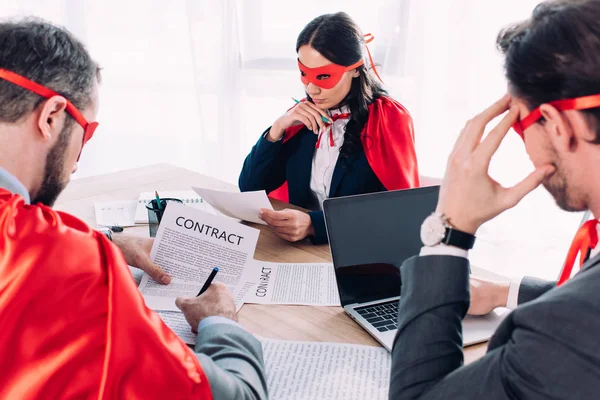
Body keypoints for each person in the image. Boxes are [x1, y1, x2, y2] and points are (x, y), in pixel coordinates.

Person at [0, 19, 266, 399]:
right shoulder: (69, 260)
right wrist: (221, 325)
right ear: (51, 116)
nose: (76, 164)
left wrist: (107, 243)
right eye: (86, 132)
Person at [390, 1, 600, 398]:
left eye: (519, 123)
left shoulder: (566, 329)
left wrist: (448, 234)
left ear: (557, 125)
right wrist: (507, 292)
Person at [239, 12, 420, 245]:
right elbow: (250, 187)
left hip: (360, 253)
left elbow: (401, 211)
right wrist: (277, 128)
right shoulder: (302, 116)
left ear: (356, 69)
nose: (312, 89)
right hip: (299, 252)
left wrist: (316, 224)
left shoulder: (388, 117)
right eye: (304, 73)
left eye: (324, 76)